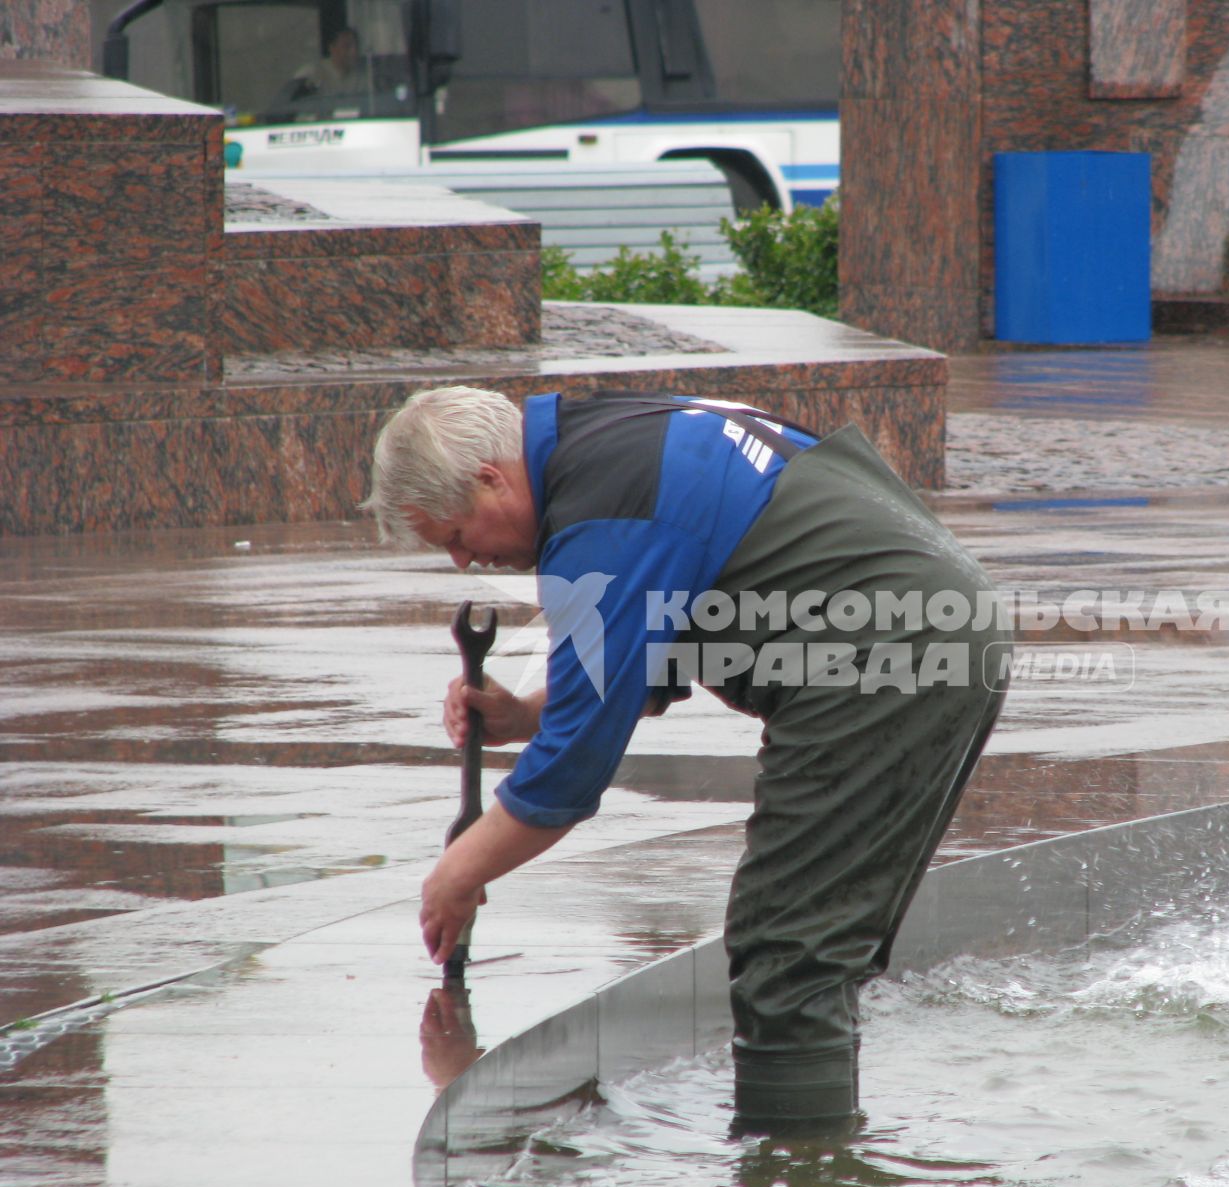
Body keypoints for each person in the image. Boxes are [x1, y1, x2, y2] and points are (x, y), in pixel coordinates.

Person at [363, 386, 1010, 1127]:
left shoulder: (603, 511)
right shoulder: (611, 442)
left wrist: (458, 872)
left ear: (490, 479)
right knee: (810, 946)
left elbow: (572, 768)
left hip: (888, 657)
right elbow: (639, 651)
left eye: (453, 535)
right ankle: (813, 1156)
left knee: (786, 960)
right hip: (933, 627)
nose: (461, 560)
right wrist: (521, 715)